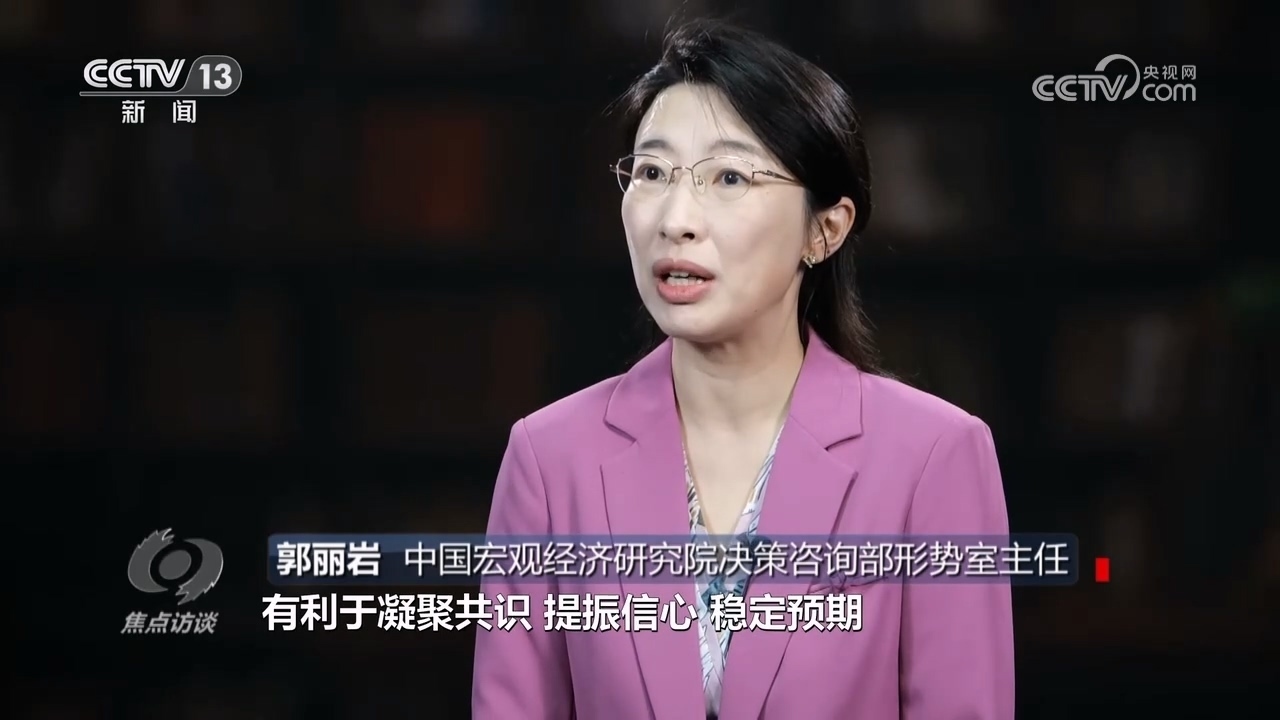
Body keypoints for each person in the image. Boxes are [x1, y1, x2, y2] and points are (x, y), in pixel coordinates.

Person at [472, 18, 1014, 720]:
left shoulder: (933, 458)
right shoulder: (550, 460)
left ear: (825, 229)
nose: (676, 218)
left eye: (729, 176)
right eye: (652, 173)